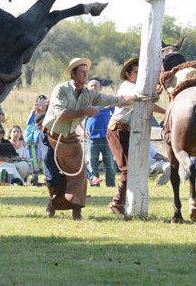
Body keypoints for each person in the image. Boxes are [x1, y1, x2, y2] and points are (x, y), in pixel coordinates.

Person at [41, 57, 133, 221]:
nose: (86, 75)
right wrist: (84, 111)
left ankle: (77, 210)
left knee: (80, 176)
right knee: (52, 178)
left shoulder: (89, 94)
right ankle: (53, 201)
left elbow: (111, 99)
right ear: (73, 74)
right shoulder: (60, 90)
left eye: (87, 72)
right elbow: (60, 114)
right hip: (51, 135)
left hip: (70, 137)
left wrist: (135, 98)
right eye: (82, 72)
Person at [106, 57, 166, 215]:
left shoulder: (138, 89)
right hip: (118, 129)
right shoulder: (127, 87)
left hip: (127, 130)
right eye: (136, 72)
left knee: (131, 167)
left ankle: (122, 202)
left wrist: (166, 111)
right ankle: (118, 202)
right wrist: (153, 93)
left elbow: (147, 102)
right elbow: (140, 98)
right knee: (128, 167)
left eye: (141, 73)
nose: (139, 76)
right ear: (127, 74)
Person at [84, 79, 116, 187]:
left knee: (110, 164)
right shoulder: (85, 102)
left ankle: (111, 185)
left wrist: (112, 128)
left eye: (96, 85)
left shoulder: (106, 100)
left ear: (100, 88)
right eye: (91, 86)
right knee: (92, 164)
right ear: (88, 88)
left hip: (107, 137)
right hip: (92, 138)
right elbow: (78, 119)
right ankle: (95, 185)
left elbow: (116, 114)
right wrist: (82, 130)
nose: (94, 87)